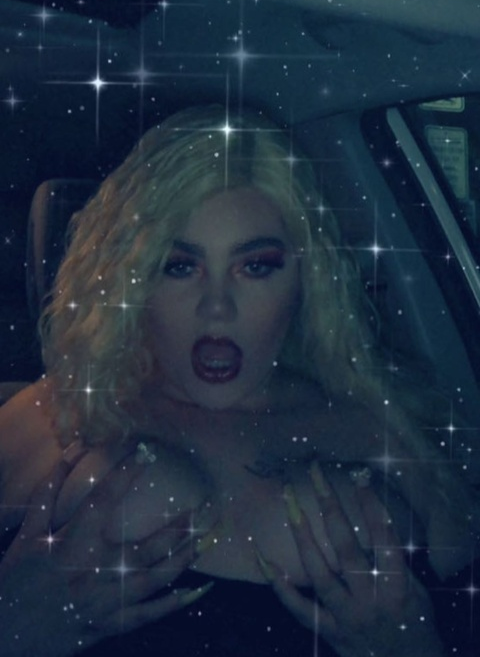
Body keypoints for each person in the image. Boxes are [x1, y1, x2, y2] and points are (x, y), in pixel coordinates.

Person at [0, 104, 478, 657]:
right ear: (133, 279)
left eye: (256, 266)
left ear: (307, 278)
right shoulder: (50, 416)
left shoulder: (388, 431)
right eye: (179, 266)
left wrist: (413, 646)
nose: (217, 307)